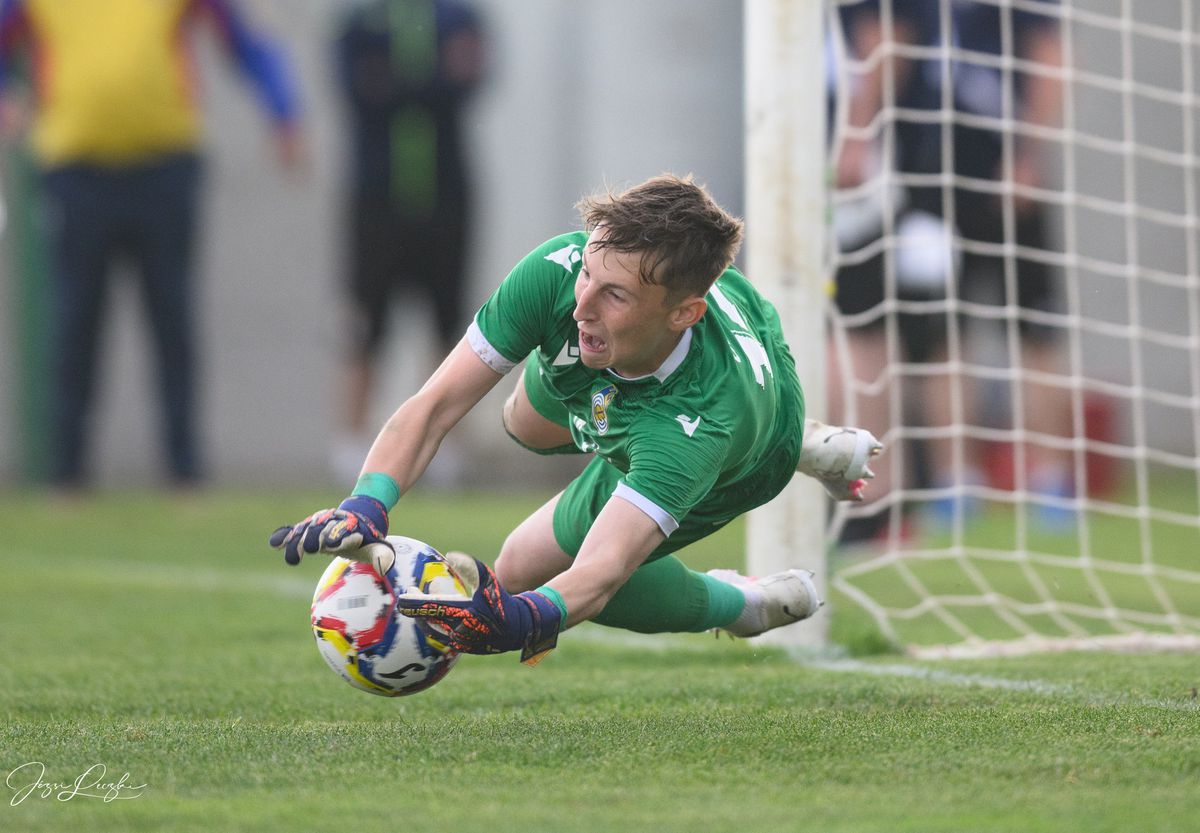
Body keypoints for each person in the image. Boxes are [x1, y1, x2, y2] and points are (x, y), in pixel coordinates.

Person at [270, 175, 883, 664]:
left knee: (524, 570)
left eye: (613, 294)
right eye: (589, 270)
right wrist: (367, 503)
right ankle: (815, 448)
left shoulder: (696, 433)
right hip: (638, 378)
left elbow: (600, 571)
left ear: (682, 313)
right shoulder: (561, 273)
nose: (581, 303)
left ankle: (744, 603)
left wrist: (526, 619)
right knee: (524, 423)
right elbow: (434, 406)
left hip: (742, 447)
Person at [0, 0, 301, 490]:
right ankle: (66, 476)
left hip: (165, 166)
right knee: (75, 325)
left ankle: (183, 472)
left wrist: (283, 111)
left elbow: (244, 41)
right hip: (75, 169)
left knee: (172, 321)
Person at [829, 0, 1068, 535]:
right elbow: (888, 48)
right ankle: (956, 481)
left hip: (1005, 174)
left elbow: (1047, 56)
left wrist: (1030, 155)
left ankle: (1051, 480)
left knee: (1037, 333)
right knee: (939, 337)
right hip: (927, 182)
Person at [331, 0, 485, 482]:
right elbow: (359, 91)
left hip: (446, 195)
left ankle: (444, 450)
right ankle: (352, 445)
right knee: (364, 325)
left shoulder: (458, 16)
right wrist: (427, 80)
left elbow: (466, 83)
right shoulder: (360, 20)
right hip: (376, 197)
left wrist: (396, 78)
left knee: (449, 324)